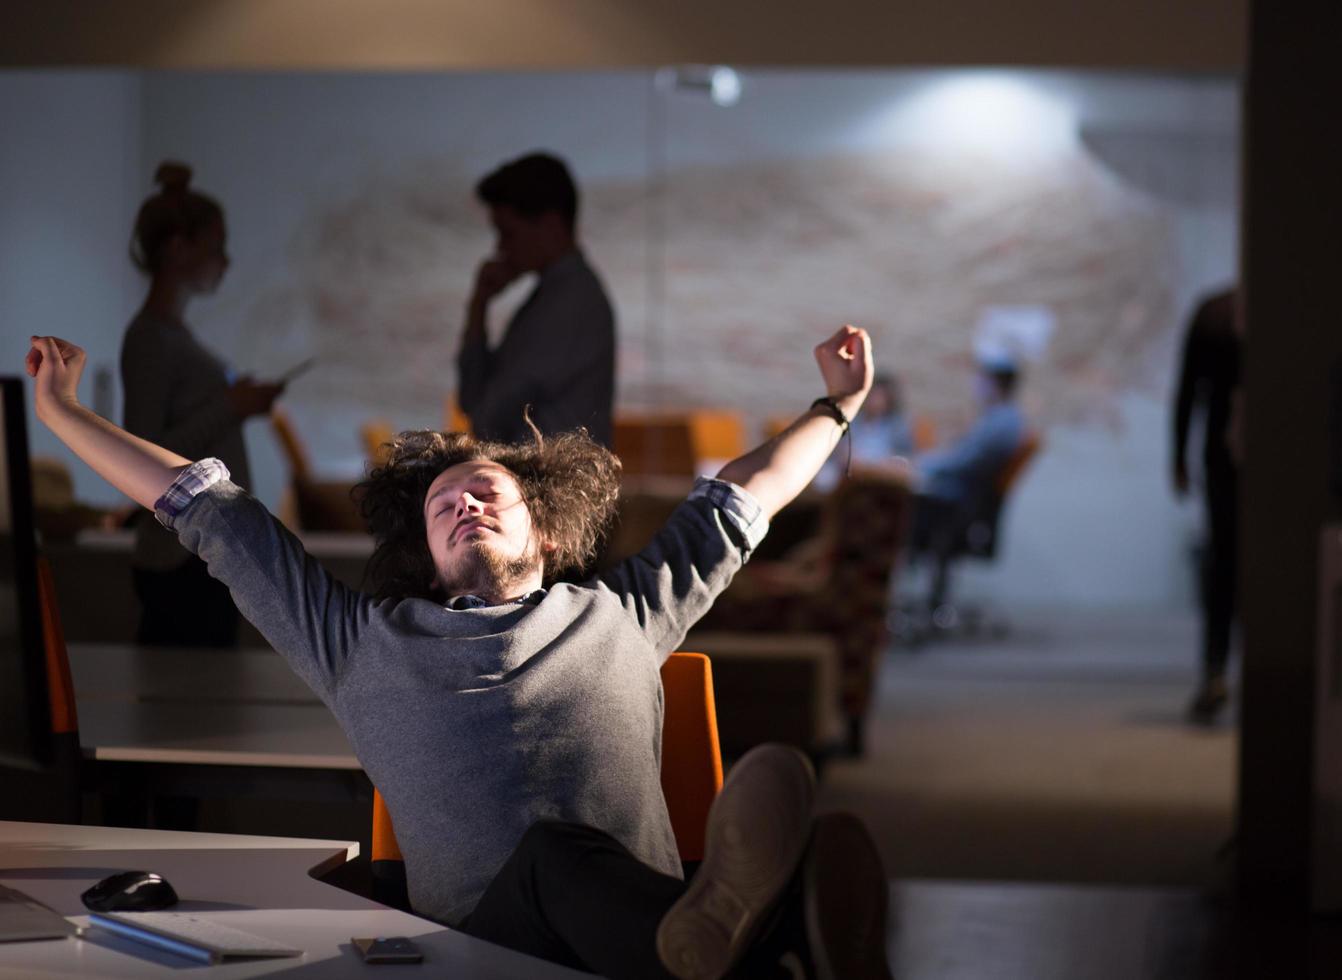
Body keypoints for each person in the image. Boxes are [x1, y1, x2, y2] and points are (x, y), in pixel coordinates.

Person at [27, 325, 890, 980]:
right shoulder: (360, 643)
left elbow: (745, 497)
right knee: (557, 857)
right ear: (425, 554)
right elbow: (205, 510)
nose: (464, 506)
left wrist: (838, 407)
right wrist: (61, 413)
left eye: (486, 492)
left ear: (548, 533)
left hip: (635, 931)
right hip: (492, 946)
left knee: (792, 870)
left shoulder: (621, 613)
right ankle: (751, 933)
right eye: (444, 506)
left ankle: (740, 935)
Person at [120, 162, 283, 647]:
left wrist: (234, 403)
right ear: (178, 247)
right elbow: (141, 453)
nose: (224, 262)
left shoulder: (170, 335)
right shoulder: (152, 338)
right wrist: (232, 406)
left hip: (197, 549)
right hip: (181, 556)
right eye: (215, 248)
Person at [457, 152, 616, 448]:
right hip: (548, 485)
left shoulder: (569, 304)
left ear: (551, 225)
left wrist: (478, 307)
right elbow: (475, 405)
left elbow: (486, 419)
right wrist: (479, 305)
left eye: (508, 232)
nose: (501, 246)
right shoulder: (556, 298)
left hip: (555, 490)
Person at [907, 351, 1028, 619]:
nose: (976, 386)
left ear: (994, 384)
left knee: (900, 511)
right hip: (960, 500)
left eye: (981, 380)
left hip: (958, 507)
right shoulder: (997, 418)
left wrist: (917, 465)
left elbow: (962, 462)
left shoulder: (1002, 422)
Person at [1171, 287, 1242, 724]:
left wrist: (1178, 456)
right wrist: (1178, 455)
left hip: (1222, 457)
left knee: (1225, 564)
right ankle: (1215, 671)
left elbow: (1187, 391)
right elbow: (1188, 390)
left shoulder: (1214, 312)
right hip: (1225, 459)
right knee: (1226, 565)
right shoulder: (1216, 313)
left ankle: (1215, 672)